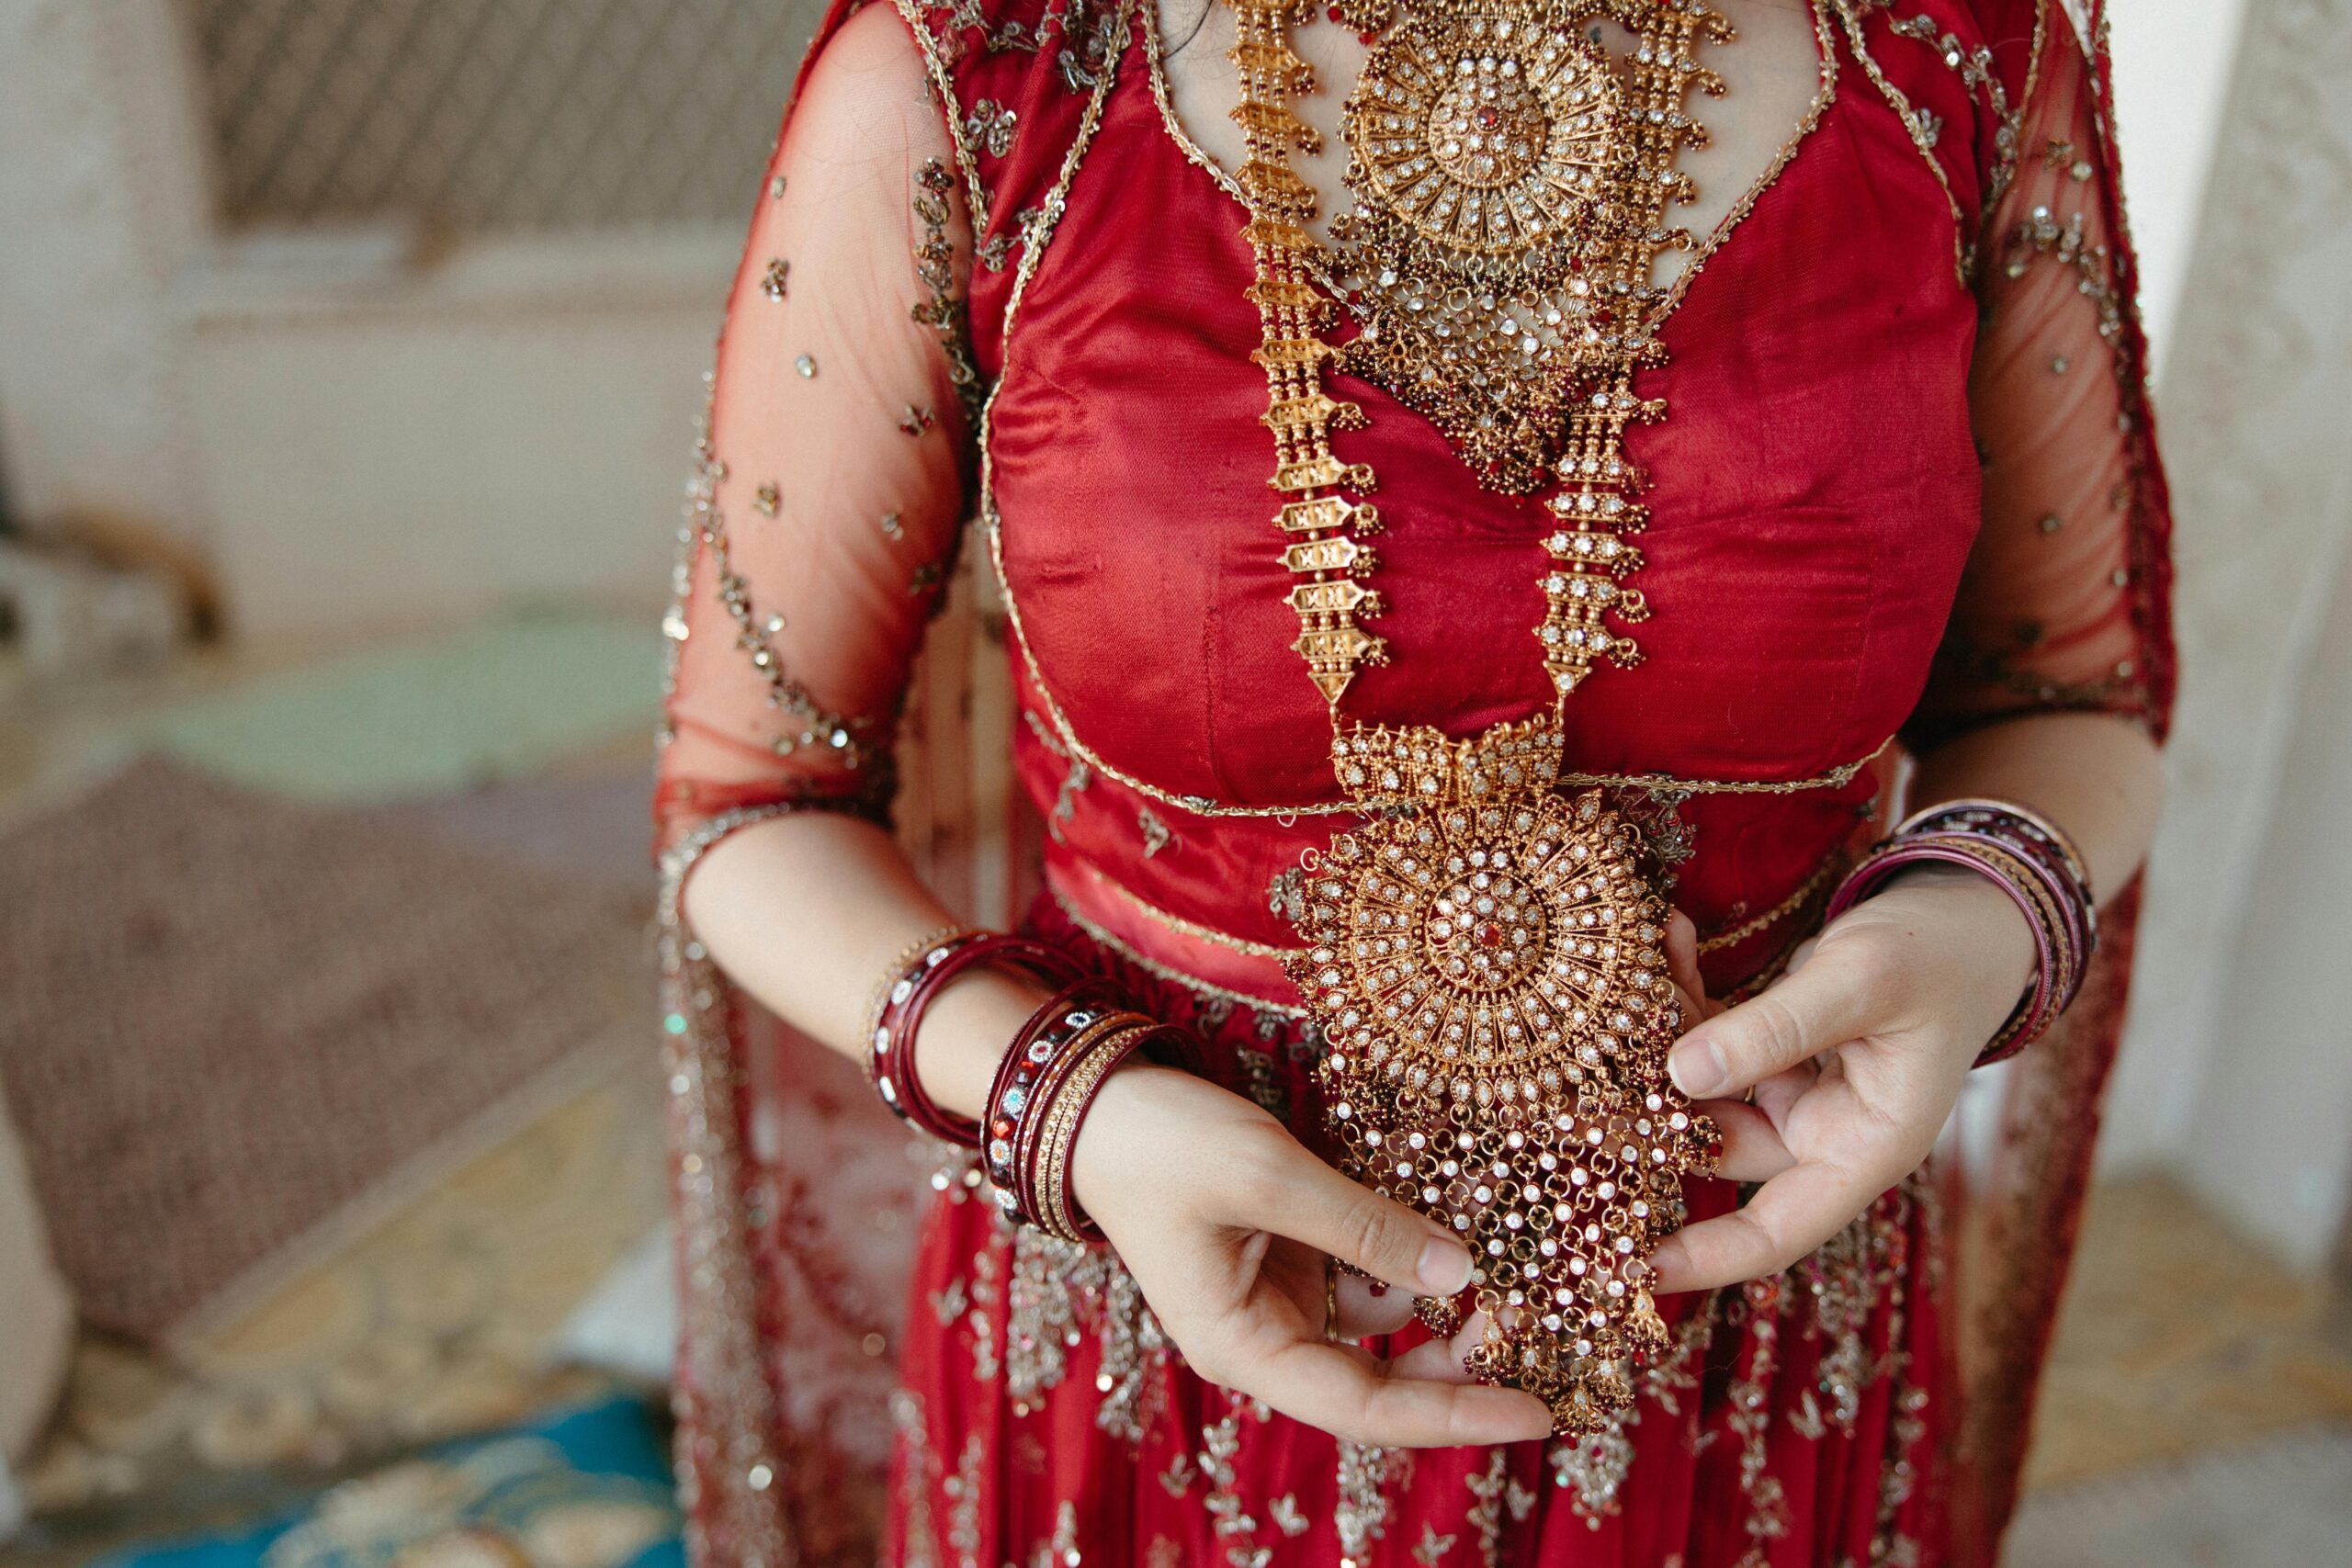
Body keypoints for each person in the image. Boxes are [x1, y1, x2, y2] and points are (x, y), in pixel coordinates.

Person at [653, 0, 2174, 1562]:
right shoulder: (990, 77)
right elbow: (748, 804)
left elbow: (2075, 698)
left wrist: (1974, 926)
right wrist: (1073, 1111)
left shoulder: (1955, 58)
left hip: (1746, 1291)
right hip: (1160, 1289)